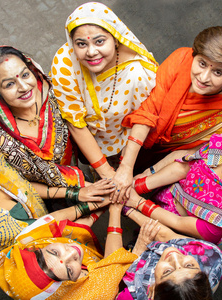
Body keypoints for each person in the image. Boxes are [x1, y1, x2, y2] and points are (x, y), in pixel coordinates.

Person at [112, 26, 222, 202]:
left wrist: (147, 175)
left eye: (218, 72)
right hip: (135, 132)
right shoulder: (181, 58)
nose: (204, 77)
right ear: (194, 54)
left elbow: (189, 153)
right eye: (202, 63)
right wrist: (126, 166)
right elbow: (148, 110)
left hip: (168, 159)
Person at [0, 204, 162, 300]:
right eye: (70, 270)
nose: (73, 251)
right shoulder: (98, 296)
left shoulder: (28, 242)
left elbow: (58, 224)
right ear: (70, 285)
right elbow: (114, 262)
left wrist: (98, 207)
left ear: (38, 249)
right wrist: (139, 240)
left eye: (54, 252)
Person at [51, 2, 157, 179]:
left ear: (115, 38)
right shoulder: (65, 63)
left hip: (125, 136)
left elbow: (143, 115)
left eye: (100, 41)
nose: (91, 52)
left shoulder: (137, 70)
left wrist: (126, 165)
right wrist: (107, 173)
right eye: (81, 44)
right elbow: (75, 123)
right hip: (81, 136)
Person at [0, 46, 83, 187]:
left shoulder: (54, 93)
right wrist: (78, 193)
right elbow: (21, 183)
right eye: (10, 84)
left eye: (25, 75)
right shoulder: (1, 140)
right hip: (48, 194)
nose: (23, 87)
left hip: (77, 167)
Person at [111, 237, 222, 300]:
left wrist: (137, 250)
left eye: (167, 272)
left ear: (152, 290)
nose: (175, 256)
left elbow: (111, 270)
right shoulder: (213, 266)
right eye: (189, 266)